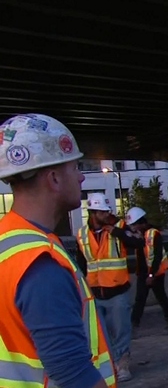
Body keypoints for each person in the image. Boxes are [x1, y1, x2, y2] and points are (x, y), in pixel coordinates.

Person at [0, 113, 115, 387]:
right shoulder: (41, 263)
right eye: (75, 168)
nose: (81, 178)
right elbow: (73, 375)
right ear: (53, 178)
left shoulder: (8, 239)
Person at [75, 192, 144, 382]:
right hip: (95, 292)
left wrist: (117, 232)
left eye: (107, 211)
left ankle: (122, 364)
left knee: (121, 330)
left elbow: (138, 242)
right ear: (93, 213)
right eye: (103, 212)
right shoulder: (82, 235)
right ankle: (108, 364)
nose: (107, 214)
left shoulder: (119, 227)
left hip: (117, 291)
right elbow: (81, 263)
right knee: (100, 334)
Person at [126, 206, 168, 335]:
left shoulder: (154, 233)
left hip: (156, 272)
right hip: (143, 272)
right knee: (140, 299)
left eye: (134, 225)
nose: (133, 228)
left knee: (161, 297)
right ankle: (134, 326)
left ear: (140, 222)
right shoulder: (139, 235)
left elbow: (158, 255)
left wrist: (152, 274)